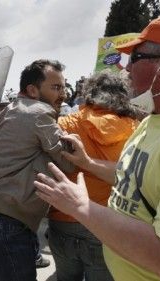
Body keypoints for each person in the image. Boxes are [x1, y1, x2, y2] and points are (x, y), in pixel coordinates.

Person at [34, 17, 160, 281]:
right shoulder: (147, 123)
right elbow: (127, 177)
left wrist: (82, 207)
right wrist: (87, 162)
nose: (127, 68)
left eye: (136, 57)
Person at [0, 59, 75, 281]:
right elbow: (69, 162)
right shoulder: (40, 112)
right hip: (9, 226)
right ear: (32, 89)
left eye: (64, 87)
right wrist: (74, 140)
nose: (64, 94)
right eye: (56, 87)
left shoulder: (11, 110)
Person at [47, 71, 139, 281]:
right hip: (106, 223)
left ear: (89, 93)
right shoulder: (136, 130)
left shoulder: (66, 124)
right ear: (123, 95)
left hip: (63, 217)